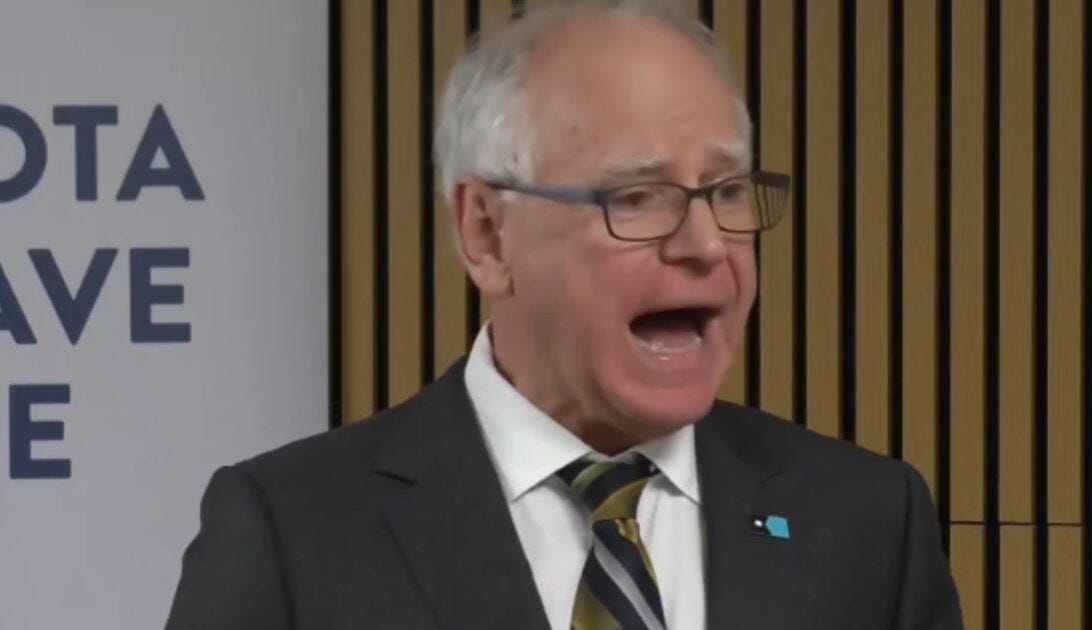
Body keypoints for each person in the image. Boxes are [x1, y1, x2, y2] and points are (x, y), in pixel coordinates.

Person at [165, 1, 963, 628]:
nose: (706, 244)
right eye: (637, 197)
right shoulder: (292, 535)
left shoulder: (865, 524)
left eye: (725, 191)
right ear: (487, 233)